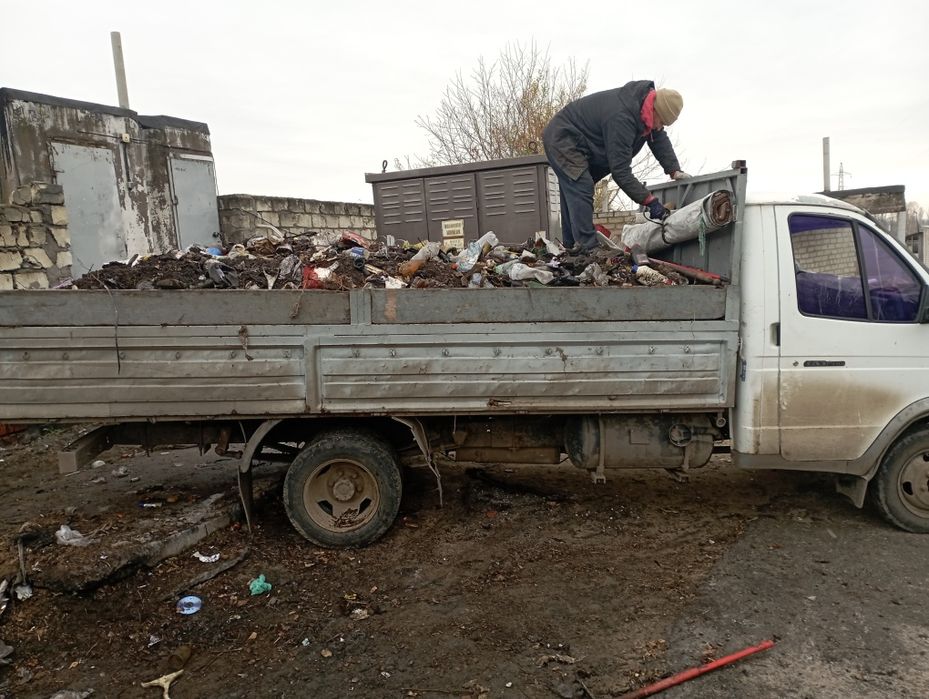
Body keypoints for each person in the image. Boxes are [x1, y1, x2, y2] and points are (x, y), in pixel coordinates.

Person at [543, 80, 690, 250]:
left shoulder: (645, 110)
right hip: (563, 139)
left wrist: (674, 169)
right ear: (656, 110)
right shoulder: (623, 117)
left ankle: (570, 246)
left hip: (584, 145)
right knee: (581, 186)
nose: (660, 127)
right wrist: (650, 201)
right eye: (662, 122)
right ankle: (588, 249)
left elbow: (658, 138)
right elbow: (620, 172)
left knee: (574, 192)